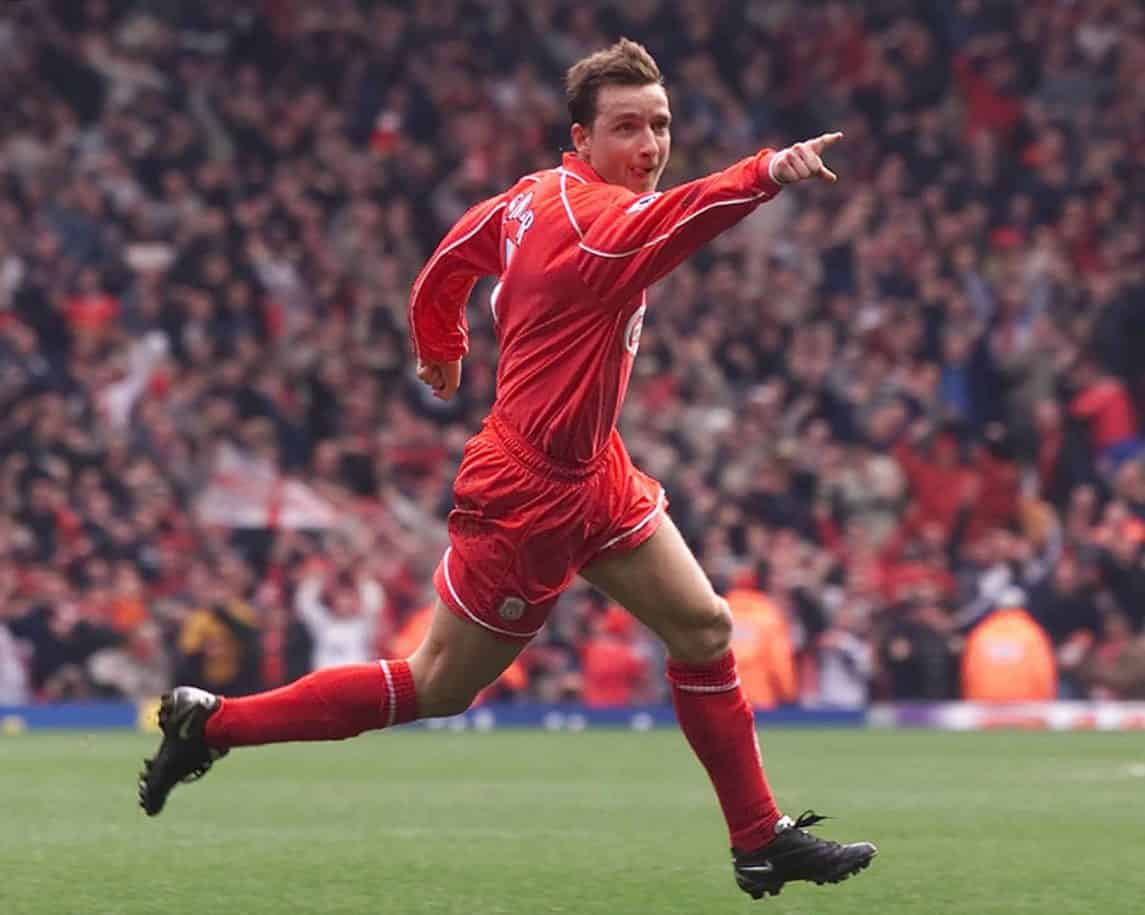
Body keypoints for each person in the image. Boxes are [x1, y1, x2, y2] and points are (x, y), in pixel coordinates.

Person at [138, 38, 876, 899]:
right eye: (627, 129)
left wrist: (438, 343)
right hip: (527, 492)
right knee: (435, 685)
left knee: (705, 630)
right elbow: (682, 217)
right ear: (583, 139)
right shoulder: (596, 227)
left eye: (661, 125)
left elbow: (453, 254)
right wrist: (768, 170)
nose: (649, 145)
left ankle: (759, 838)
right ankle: (216, 724)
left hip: (592, 468)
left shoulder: (535, 196)